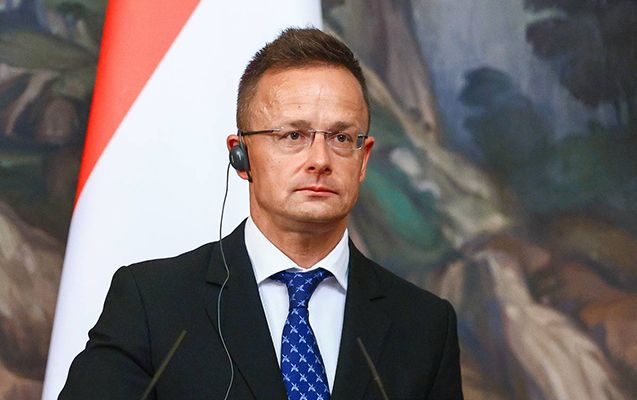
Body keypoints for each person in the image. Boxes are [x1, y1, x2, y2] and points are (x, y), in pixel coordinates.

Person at [59, 28, 463, 400]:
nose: (320, 160)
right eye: (293, 135)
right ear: (242, 154)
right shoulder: (152, 303)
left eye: (341, 137)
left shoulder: (426, 325)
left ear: (363, 158)